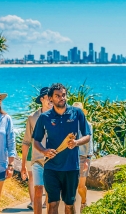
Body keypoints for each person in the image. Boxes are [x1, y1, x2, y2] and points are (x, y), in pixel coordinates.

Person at [33, 83, 91, 214]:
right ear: (50, 98)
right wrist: (44, 151)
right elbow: (35, 140)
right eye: (57, 96)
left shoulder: (77, 113)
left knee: (69, 205)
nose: (61, 98)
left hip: (71, 167)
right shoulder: (44, 117)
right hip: (51, 167)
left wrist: (76, 142)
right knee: (52, 203)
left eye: (63, 95)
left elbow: (87, 135)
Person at [21, 87, 52, 214]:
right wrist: (23, 165)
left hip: (53, 160)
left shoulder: (59, 115)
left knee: (51, 193)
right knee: (38, 191)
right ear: (41, 99)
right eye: (47, 97)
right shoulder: (32, 117)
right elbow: (26, 142)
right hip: (37, 160)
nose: (50, 99)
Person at [72, 102, 94, 213]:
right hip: (71, 158)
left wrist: (88, 159)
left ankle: (84, 202)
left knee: (81, 186)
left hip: (83, 157)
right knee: (71, 186)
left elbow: (90, 144)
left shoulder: (88, 125)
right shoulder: (69, 124)